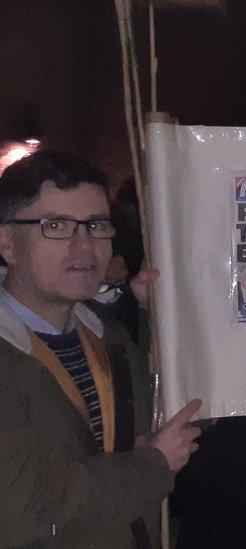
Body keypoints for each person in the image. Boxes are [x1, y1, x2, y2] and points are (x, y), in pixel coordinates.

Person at [0, 150, 202, 548]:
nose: (84, 246)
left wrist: (160, 319)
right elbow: (28, 509)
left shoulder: (108, 337)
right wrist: (153, 464)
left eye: (96, 225)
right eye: (55, 225)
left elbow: (183, 412)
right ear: (6, 242)